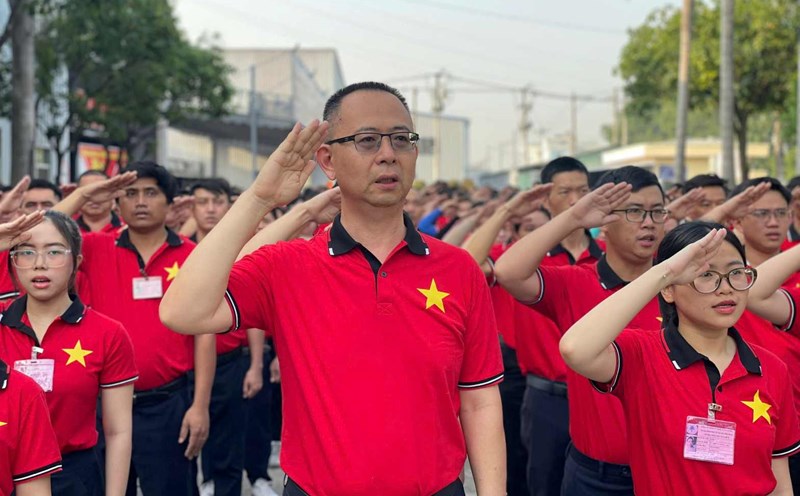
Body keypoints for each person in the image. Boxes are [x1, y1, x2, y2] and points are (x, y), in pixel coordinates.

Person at [160, 81, 505, 496]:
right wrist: (260, 198)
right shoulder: (289, 264)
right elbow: (182, 311)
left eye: (401, 139)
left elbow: (481, 400)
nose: (387, 154)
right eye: (366, 141)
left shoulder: (458, 268)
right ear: (327, 159)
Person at [560, 222, 800, 495]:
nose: (726, 288)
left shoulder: (771, 368)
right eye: (706, 274)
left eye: (736, 272)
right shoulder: (642, 354)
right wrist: (666, 272)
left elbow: (779, 484)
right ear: (669, 289)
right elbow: (575, 348)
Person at [496, 166, 667, 495]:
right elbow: (507, 271)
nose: (648, 223)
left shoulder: (676, 286)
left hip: (665, 471)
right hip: (594, 476)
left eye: (657, 211)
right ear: (603, 220)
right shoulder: (577, 282)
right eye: (634, 211)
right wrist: (573, 217)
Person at [53, 164, 215, 496]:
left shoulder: (192, 255)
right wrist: (85, 195)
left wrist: (200, 406)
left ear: (170, 204)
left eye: (151, 192)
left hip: (168, 405)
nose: (140, 201)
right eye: (131, 193)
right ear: (117, 203)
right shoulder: (96, 248)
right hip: (103, 408)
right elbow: (42, 231)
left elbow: (204, 335)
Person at [0, 211, 137, 496]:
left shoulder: (108, 333)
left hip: (74, 476)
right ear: (12, 262)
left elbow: (118, 432)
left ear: (76, 262)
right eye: (26, 252)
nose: (39, 264)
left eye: (54, 252)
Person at [187, 177, 265, 496]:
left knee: (229, 440)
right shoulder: (180, 251)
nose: (209, 209)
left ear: (228, 205)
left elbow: (255, 315)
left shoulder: (243, 250)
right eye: (201, 202)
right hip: (186, 367)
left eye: (216, 202)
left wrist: (256, 364)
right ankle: (204, 482)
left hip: (231, 361)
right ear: (189, 207)